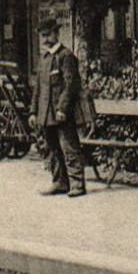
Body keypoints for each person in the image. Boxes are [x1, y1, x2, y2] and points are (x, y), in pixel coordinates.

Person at [32, 20, 88, 198]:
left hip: (61, 112)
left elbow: (71, 85)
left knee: (69, 146)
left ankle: (77, 183)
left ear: (56, 34)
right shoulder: (44, 58)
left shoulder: (66, 56)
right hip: (45, 112)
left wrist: (62, 108)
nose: (46, 39)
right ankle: (60, 182)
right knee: (51, 148)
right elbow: (38, 88)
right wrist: (33, 111)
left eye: (49, 34)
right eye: (43, 36)